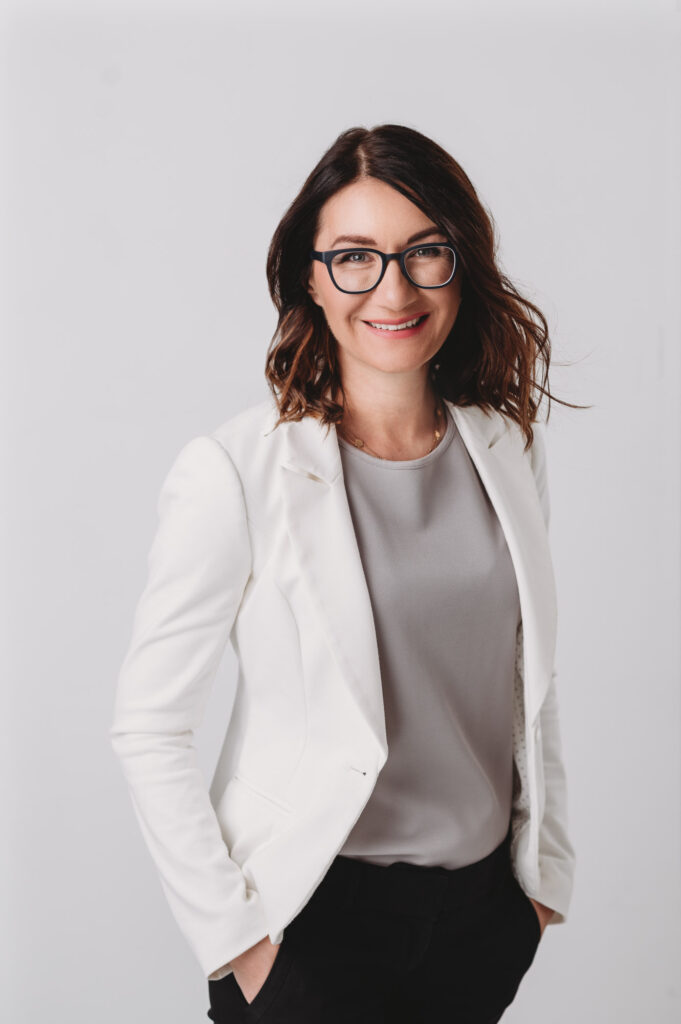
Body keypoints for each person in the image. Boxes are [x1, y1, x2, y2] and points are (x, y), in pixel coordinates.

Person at [110, 123, 580, 1023]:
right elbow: (148, 727)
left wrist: (539, 882)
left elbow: (530, 674)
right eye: (354, 257)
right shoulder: (236, 471)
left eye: (422, 253)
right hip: (311, 928)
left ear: (460, 263)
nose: (393, 289)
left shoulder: (506, 447)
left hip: (478, 922)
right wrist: (243, 948)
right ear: (310, 280)